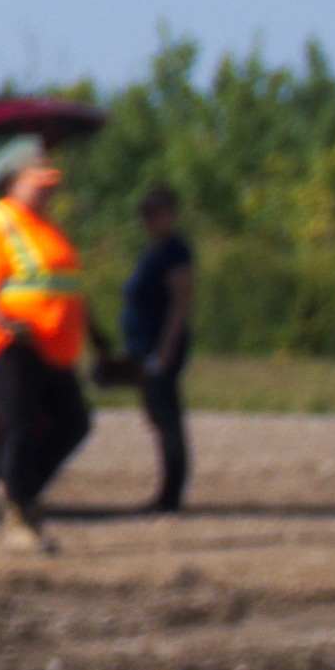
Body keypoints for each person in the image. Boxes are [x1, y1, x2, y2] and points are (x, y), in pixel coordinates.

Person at [0, 143, 92, 551]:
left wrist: (96, 339)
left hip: (49, 344)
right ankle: (17, 519)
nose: (48, 191)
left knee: (73, 423)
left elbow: (67, 288)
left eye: (51, 185)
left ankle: (13, 490)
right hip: (9, 343)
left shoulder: (45, 227)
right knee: (20, 427)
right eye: (39, 183)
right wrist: (3, 321)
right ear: (13, 181)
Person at [122, 185, 197, 513]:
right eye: (146, 214)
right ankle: (168, 490)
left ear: (171, 214)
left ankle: (171, 494)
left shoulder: (175, 252)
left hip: (160, 347)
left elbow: (181, 303)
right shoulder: (154, 250)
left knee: (167, 416)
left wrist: (166, 349)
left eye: (156, 212)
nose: (149, 220)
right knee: (157, 415)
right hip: (144, 345)